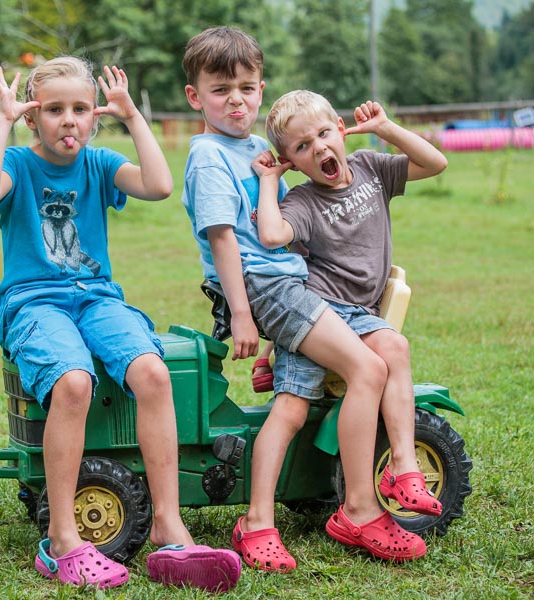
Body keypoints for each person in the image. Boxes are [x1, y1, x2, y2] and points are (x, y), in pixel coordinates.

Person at [0, 56, 240, 592]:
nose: (68, 120)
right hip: (35, 303)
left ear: (94, 117)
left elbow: (160, 186)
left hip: (96, 299)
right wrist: (0, 120)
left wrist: (133, 117)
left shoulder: (98, 164)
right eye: (53, 110)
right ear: (32, 117)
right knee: (74, 383)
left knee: (154, 375)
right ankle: (63, 539)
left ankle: (169, 527)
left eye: (79, 109)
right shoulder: (19, 165)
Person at [181, 26, 440, 571]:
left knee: (294, 406)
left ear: (260, 87)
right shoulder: (208, 156)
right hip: (267, 288)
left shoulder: (253, 146)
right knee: (368, 370)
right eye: (221, 89)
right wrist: (246, 314)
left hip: (296, 286)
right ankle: (360, 509)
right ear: (194, 96)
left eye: (247, 87)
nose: (237, 100)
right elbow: (223, 239)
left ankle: (257, 522)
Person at [251, 89, 449, 565]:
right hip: (321, 313)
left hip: (359, 315)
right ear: (292, 161)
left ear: (340, 129)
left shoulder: (371, 167)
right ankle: (269, 517)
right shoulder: (301, 200)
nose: (318, 148)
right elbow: (273, 235)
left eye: (323, 134)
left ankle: (403, 469)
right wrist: (266, 179)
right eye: (302, 146)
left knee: (395, 349)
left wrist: (385, 127)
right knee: (292, 409)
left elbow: (435, 162)